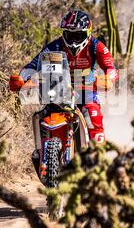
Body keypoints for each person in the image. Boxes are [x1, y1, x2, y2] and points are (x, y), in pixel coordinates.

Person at [19, 9, 118, 143]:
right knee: (40, 116)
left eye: (78, 35)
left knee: (94, 120)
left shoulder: (96, 46)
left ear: (88, 33)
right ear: (63, 33)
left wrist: (108, 79)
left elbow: (111, 68)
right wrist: (22, 79)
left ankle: (98, 158)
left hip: (86, 92)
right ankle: (39, 151)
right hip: (58, 91)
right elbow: (32, 65)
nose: (73, 41)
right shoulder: (54, 46)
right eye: (69, 35)